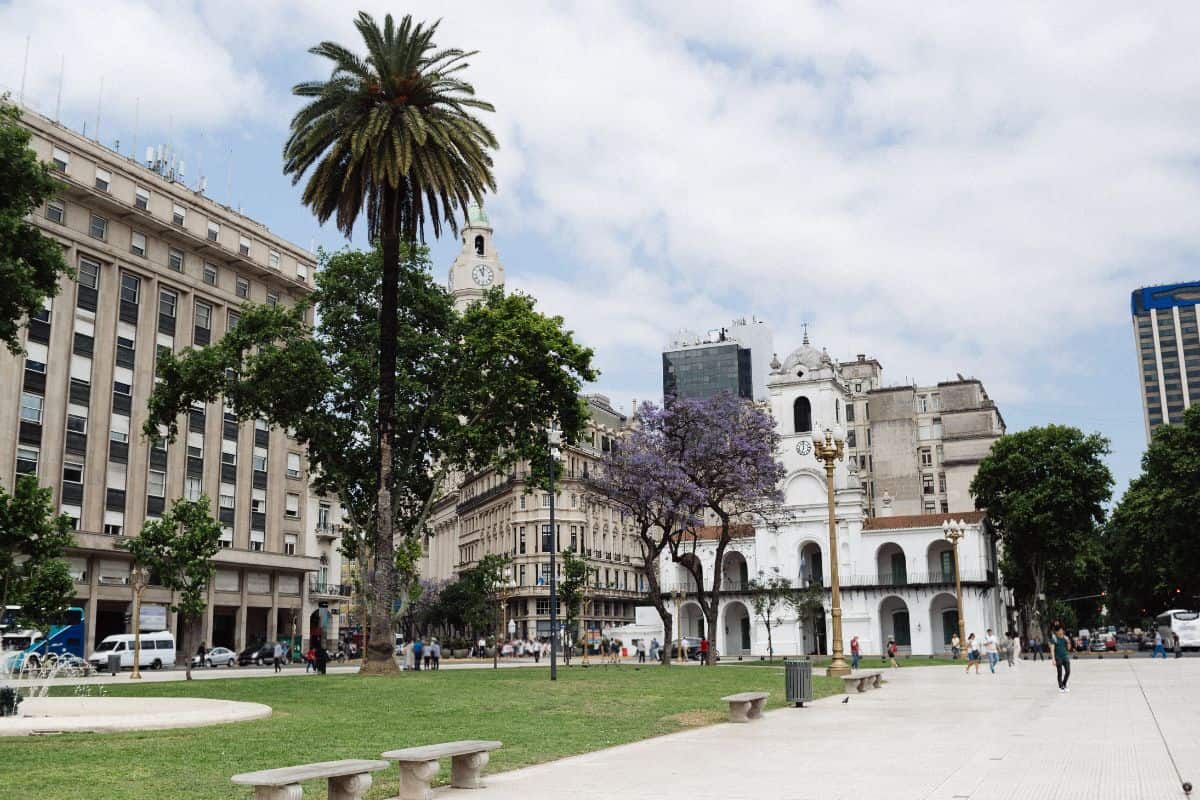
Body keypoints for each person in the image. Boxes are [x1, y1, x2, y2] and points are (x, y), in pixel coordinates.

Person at [1051, 623, 1071, 692]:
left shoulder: (1065, 638)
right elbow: (1052, 649)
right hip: (1058, 657)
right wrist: (1053, 659)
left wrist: (1068, 641)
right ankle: (1061, 686)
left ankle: (1064, 684)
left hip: (1065, 656)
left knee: (1068, 671)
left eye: (1062, 630)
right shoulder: (1054, 639)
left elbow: (1068, 648)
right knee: (1060, 672)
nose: (1061, 631)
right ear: (1057, 632)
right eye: (1060, 630)